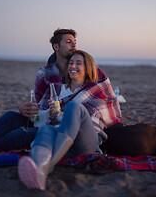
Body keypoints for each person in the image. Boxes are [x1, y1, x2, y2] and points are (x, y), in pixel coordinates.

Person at [0, 28, 106, 151]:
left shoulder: (88, 70)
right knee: (10, 116)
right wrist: (26, 110)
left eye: (74, 41)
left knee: (24, 133)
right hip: (45, 118)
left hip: (64, 125)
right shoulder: (45, 73)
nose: (74, 44)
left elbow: (102, 98)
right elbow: (38, 105)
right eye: (68, 41)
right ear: (56, 47)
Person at [18, 50, 122, 190]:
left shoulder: (96, 88)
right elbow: (59, 118)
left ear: (88, 68)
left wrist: (64, 112)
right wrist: (56, 113)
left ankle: (50, 164)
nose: (73, 66)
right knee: (45, 128)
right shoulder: (62, 88)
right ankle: (40, 172)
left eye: (78, 63)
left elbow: (98, 114)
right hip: (65, 143)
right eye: (71, 63)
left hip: (86, 142)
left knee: (74, 105)